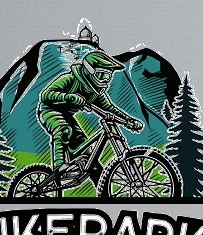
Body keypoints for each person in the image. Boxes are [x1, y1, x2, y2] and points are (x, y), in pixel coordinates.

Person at [34, 26, 137, 188]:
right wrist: (71, 97)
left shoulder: (96, 92)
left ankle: (102, 189)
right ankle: (59, 167)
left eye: (108, 76)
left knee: (88, 154)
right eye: (101, 75)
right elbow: (46, 95)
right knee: (63, 129)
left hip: (67, 114)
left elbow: (109, 108)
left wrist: (129, 121)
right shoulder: (70, 79)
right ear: (90, 71)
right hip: (50, 110)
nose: (105, 80)